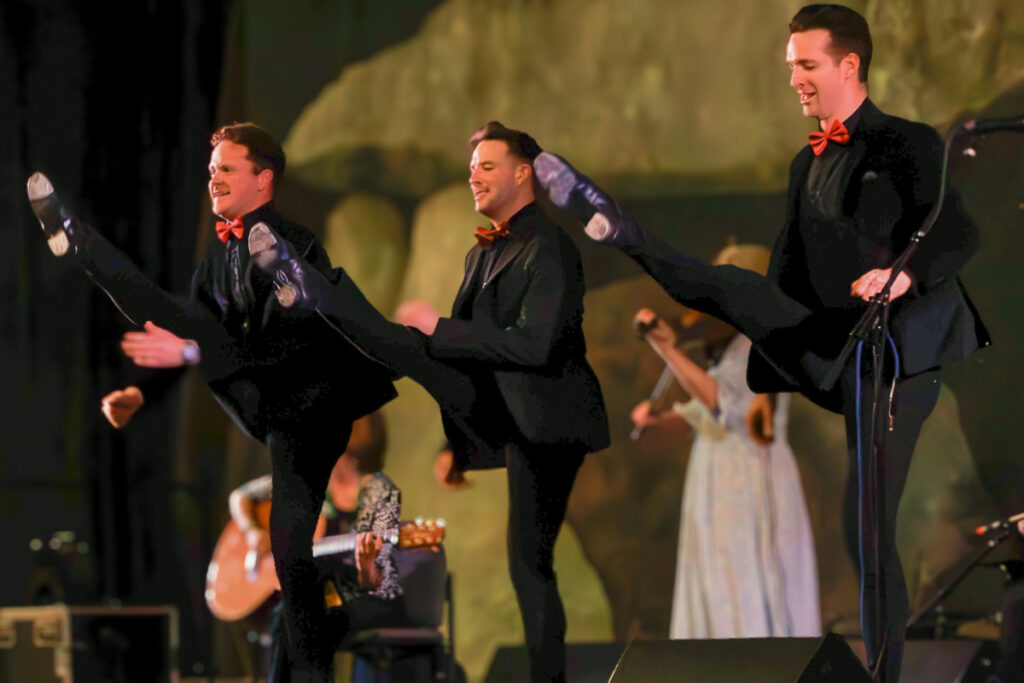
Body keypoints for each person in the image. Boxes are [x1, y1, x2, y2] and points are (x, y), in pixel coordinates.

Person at [532, 5, 988, 680]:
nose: (796, 79)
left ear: (848, 65)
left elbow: (958, 233)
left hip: (900, 357)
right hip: (835, 341)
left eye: (807, 65)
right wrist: (752, 312)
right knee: (725, 284)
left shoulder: (908, 142)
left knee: (864, 524)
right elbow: (786, 274)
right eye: (790, 68)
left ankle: (882, 678)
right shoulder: (807, 165)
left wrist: (902, 274)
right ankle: (618, 228)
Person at [27, 122, 399, 683]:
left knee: (298, 577)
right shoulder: (219, 263)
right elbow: (194, 337)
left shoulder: (294, 244)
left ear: (263, 179)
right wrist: (144, 391)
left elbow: (284, 336)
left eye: (227, 168)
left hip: (303, 405)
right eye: (209, 171)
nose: (213, 179)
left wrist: (202, 346)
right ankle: (77, 241)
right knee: (164, 308)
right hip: (267, 408)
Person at [243, 121, 610, 682]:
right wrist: (455, 444)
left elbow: (535, 346)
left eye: (487, 167)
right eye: (470, 170)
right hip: (501, 412)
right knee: (408, 344)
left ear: (523, 174)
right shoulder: (480, 254)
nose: (475, 178)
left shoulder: (551, 248)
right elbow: (460, 355)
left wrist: (438, 331)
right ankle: (316, 289)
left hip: (548, 419)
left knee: (529, 565)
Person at [630, 244, 820, 639]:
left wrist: (667, 349)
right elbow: (704, 418)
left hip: (750, 473)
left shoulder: (764, 343)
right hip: (717, 475)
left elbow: (725, 403)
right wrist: (661, 421)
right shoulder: (725, 345)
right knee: (716, 576)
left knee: (748, 574)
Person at [228, 412, 403, 682]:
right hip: (316, 595)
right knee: (289, 614)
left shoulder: (380, 491)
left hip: (359, 596)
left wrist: (366, 564)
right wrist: (253, 532)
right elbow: (241, 497)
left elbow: (378, 583)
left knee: (305, 617)